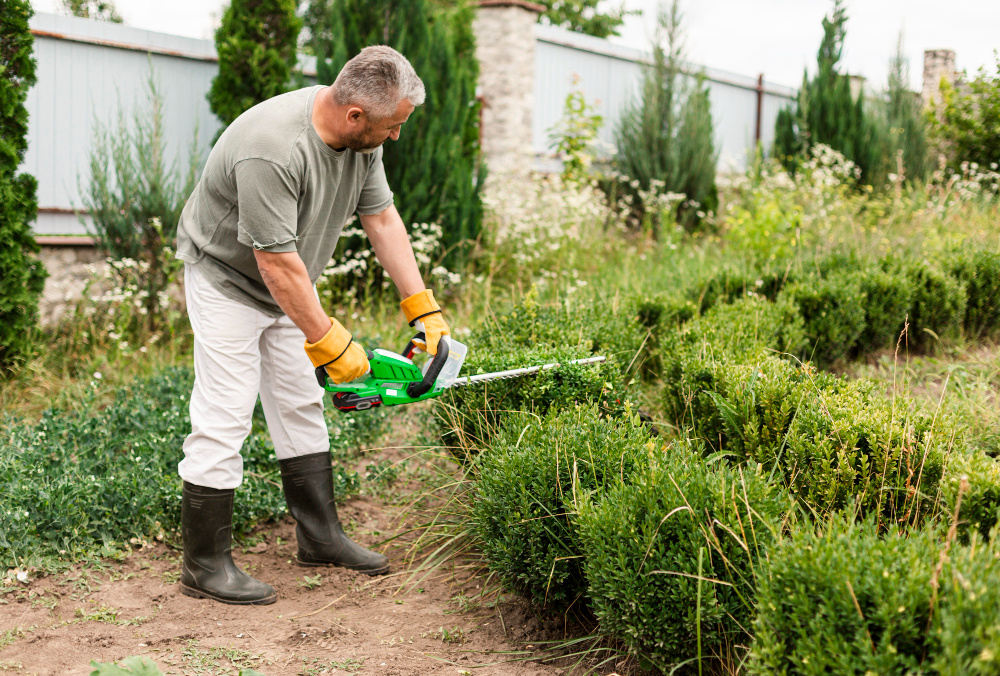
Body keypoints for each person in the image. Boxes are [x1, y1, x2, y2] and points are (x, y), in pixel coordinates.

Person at [173, 45, 450, 605]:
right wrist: (327, 340)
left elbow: (381, 217)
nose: (395, 136)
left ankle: (320, 537)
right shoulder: (272, 149)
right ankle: (203, 564)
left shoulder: (359, 142)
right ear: (356, 116)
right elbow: (273, 264)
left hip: (288, 284)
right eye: (392, 126)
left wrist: (421, 305)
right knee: (225, 413)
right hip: (228, 280)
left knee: (300, 401)